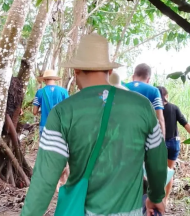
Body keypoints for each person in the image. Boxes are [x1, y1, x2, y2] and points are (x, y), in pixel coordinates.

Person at [21, 34, 167, 216]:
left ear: (76, 71)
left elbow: (44, 180)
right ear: (110, 72)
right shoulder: (142, 106)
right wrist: (156, 196)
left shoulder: (63, 112)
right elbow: (157, 159)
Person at [157, 86, 190, 206]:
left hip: (159, 144)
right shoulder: (174, 108)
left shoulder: (154, 109)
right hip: (174, 142)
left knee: (156, 171)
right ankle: (166, 199)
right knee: (169, 171)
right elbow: (185, 124)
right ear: (166, 95)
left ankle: (156, 198)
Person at [126, 64, 166, 138]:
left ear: (133, 77)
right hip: (143, 136)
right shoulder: (154, 91)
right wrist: (162, 141)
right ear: (148, 79)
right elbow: (160, 118)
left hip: (122, 134)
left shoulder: (121, 88)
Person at [33, 69, 69, 137]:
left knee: (45, 147)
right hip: (60, 126)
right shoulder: (64, 91)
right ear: (55, 79)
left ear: (44, 80)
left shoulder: (40, 92)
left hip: (45, 125)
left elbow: (34, 112)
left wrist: (43, 109)